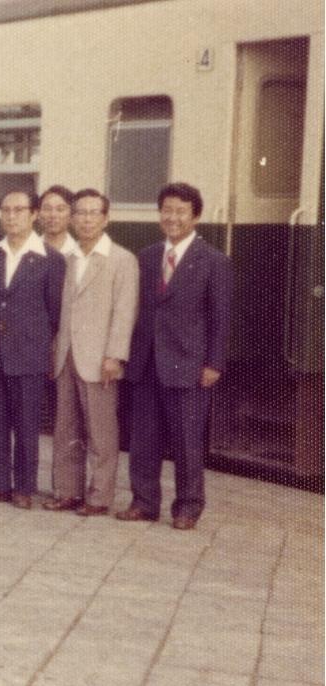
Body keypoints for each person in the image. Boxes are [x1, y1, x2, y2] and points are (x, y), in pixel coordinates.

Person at [118, 182, 232, 530]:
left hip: (188, 363)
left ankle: (187, 507)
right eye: (167, 210)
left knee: (186, 440)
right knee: (144, 439)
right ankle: (144, 502)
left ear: (195, 216)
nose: (172, 217)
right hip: (147, 361)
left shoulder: (213, 262)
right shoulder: (148, 256)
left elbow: (220, 317)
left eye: (181, 211)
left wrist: (213, 363)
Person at [45, 189, 139, 516]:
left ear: (105, 218)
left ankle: (99, 497)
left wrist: (114, 355)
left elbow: (125, 311)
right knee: (65, 429)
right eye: (80, 213)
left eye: (93, 213)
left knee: (101, 432)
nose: (86, 219)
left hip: (100, 360)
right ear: (72, 219)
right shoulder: (69, 259)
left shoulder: (121, 259)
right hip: (67, 356)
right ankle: (67, 491)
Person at [0, 189, 65, 509]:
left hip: (28, 354)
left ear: (34, 214)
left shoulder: (51, 260)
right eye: (6, 210)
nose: (11, 216)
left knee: (27, 424)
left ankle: (24, 487)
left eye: (19, 210)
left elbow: (54, 312)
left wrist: (38, 344)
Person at [39, 184, 79, 259]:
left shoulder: (78, 253)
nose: (53, 215)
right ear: (38, 214)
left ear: (71, 215)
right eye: (47, 209)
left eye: (60, 209)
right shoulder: (29, 250)